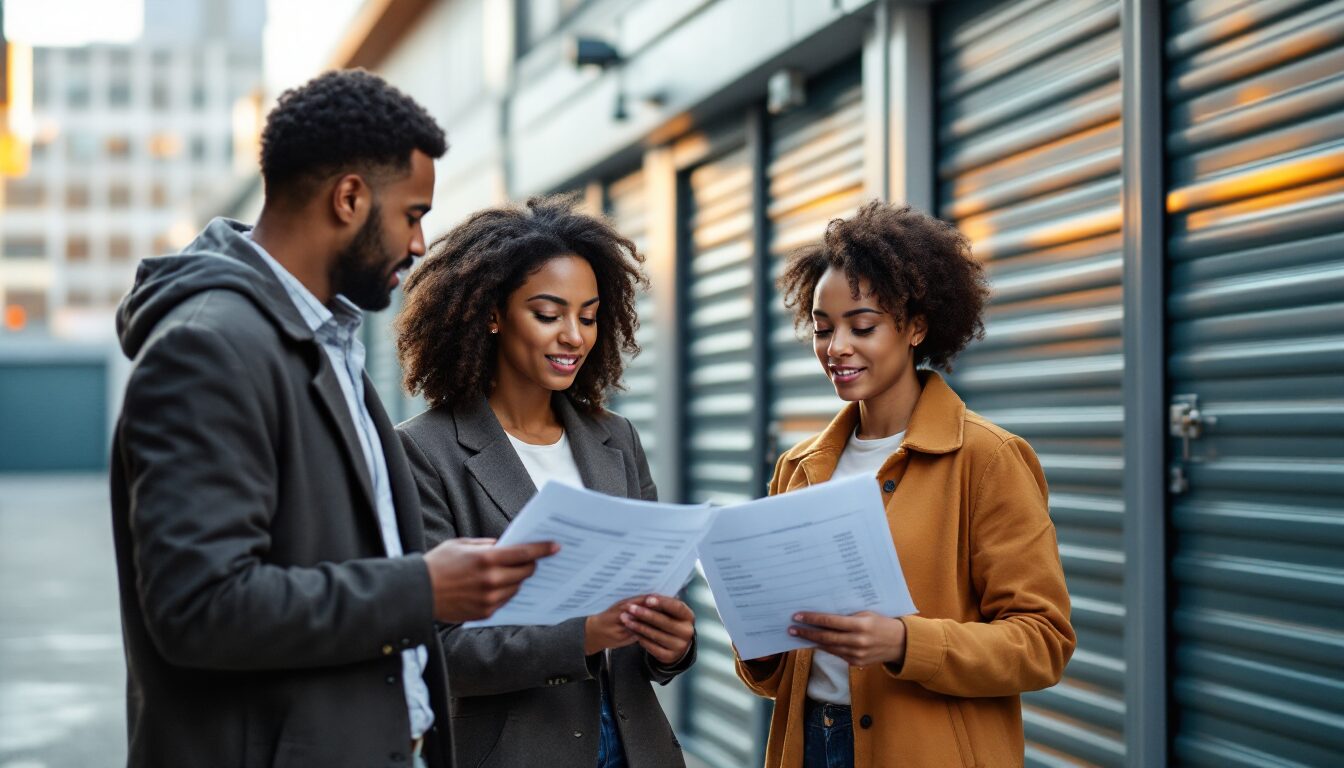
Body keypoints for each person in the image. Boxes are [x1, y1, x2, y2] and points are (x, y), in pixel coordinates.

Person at [110, 70, 555, 768]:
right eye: (412, 214)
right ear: (349, 198)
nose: (420, 244)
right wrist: (424, 588)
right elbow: (199, 608)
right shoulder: (208, 348)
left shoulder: (323, 340)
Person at [735, 201, 1075, 768]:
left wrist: (903, 642)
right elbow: (774, 671)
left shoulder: (987, 459)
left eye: (862, 326)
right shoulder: (800, 467)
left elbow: (1043, 642)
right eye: (823, 329)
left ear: (916, 327)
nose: (836, 347)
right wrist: (758, 629)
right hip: (811, 743)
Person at [395, 195, 698, 768]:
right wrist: (582, 636)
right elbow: (439, 649)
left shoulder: (616, 439)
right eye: (548, 314)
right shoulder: (423, 452)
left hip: (638, 749)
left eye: (588, 316)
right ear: (492, 314)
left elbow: (657, 594)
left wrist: (673, 644)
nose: (574, 337)